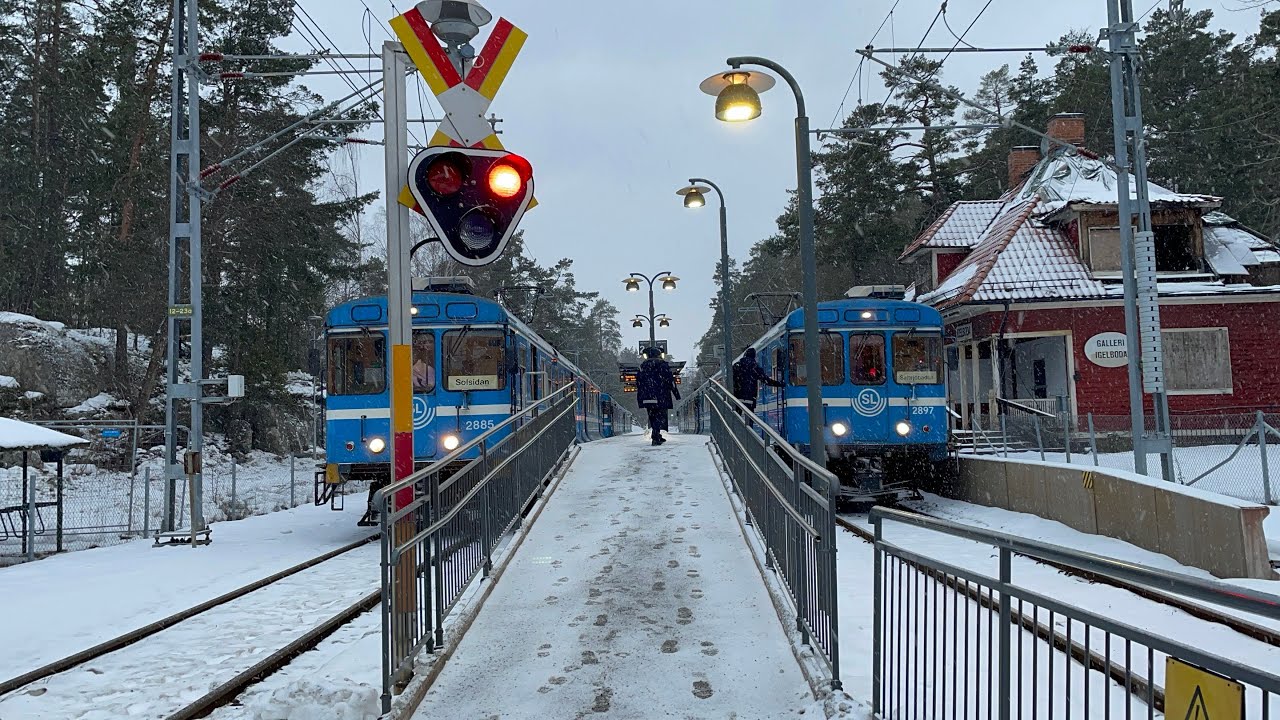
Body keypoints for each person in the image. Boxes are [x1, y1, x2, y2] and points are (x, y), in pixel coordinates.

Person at [636, 346, 680, 446]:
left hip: (646, 396)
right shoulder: (663, 365)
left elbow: (638, 382)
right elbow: (670, 381)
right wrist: (676, 394)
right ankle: (655, 436)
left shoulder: (642, 366)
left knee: (652, 415)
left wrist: (642, 393)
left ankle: (656, 435)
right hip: (661, 396)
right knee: (659, 416)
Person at [732, 347, 783, 411]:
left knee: (737, 418)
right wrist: (779, 384)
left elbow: (732, 380)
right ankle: (749, 421)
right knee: (750, 417)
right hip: (750, 398)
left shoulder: (737, 366)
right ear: (754, 356)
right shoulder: (754, 366)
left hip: (737, 398)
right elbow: (765, 380)